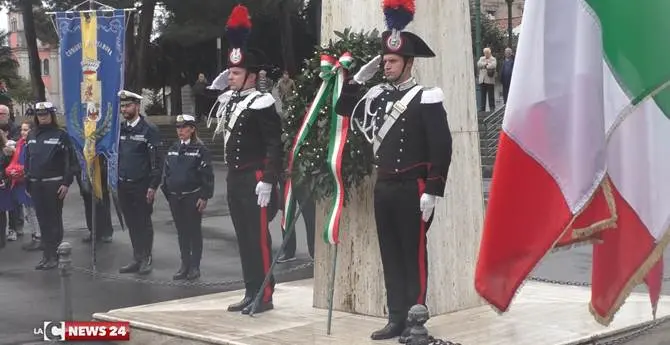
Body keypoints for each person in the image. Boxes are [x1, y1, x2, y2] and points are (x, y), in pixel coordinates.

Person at [334, 7, 453, 342]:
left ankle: (416, 318)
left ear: (409, 63)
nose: (387, 66)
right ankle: (396, 317)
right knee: (389, 253)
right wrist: (357, 79)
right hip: (384, 186)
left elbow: (441, 148)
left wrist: (433, 189)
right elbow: (344, 110)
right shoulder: (377, 95)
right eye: (385, 60)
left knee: (413, 254)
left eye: (392, 61)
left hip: (413, 188)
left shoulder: (427, 97)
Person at [221, 5, 283, 315]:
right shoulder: (232, 102)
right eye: (230, 72)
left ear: (250, 76)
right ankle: (249, 290)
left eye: (235, 73)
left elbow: (275, 144)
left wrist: (269, 181)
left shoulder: (263, 102)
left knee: (259, 240)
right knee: (244, 238)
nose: (230, 77)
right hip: (235, 178)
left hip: (256, 178)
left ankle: (265, 294)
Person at [24, 102, 78, 270]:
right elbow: (27, 160)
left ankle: (55, 255)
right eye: (40, 115)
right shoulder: (31, 134)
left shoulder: (61, 135)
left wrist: (66, 183)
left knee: (54, 221)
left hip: (54, 184)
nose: (43, 117)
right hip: (36, 184)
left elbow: (71, 162)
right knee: (43, 221)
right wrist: (27, 182)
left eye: (46, 114)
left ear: (52, 115)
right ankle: (46, 256)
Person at [161, 114, 214, 281]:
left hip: (192, 196)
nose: (180, 130)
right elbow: (167, 171)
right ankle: (184, 264)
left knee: (193, 231)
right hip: (176, 197)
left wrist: (204, 196)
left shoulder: (200, 150)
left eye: (184, 127)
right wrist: (168, 192)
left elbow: (207, 175)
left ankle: (195, 266)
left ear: (192, 129)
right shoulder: (173, 148)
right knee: (181, 232)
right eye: (178, 127)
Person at [117, 90, 162, 275]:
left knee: (143, 222)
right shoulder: (120, 128)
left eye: (127, 106)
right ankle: (137, 256)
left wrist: (153, 185)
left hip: (141, 184)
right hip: (124, 183)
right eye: (122, 106)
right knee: (132, 222)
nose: (124, 109)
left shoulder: (149, 129)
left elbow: (157, 161)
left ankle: (146, 257)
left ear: (137, 106)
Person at [7, 121, 41, 251]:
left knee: (33, 211)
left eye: (26, 130)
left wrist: (20, 171)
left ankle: (39, 236)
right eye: (22, 129)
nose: (22, 132)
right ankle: (35, 235)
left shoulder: (34, 144)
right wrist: (10, 170)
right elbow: (15, 160)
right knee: (29, 210)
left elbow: (33, 163)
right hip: (21, 181)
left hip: (30, 181)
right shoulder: (21, 143)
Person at [77, 155, 114, 243]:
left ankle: (106, 232)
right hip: (84, 168)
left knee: (102, 201)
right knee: (88, 201)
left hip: (100, 168)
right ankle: (93, 231)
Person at [477, 47, 497, 112]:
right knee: (483, 95)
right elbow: (479, 64)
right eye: (485, 53)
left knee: (491, 95)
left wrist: (485, 66)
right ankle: (482, 108)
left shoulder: (493, 59)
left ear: (489, 53)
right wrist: (486, 64)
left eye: (487, 53)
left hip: (490, 80)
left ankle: (492, 108)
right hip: (482, 80)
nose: (486, 54)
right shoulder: (481, 58)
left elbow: (493, 65)